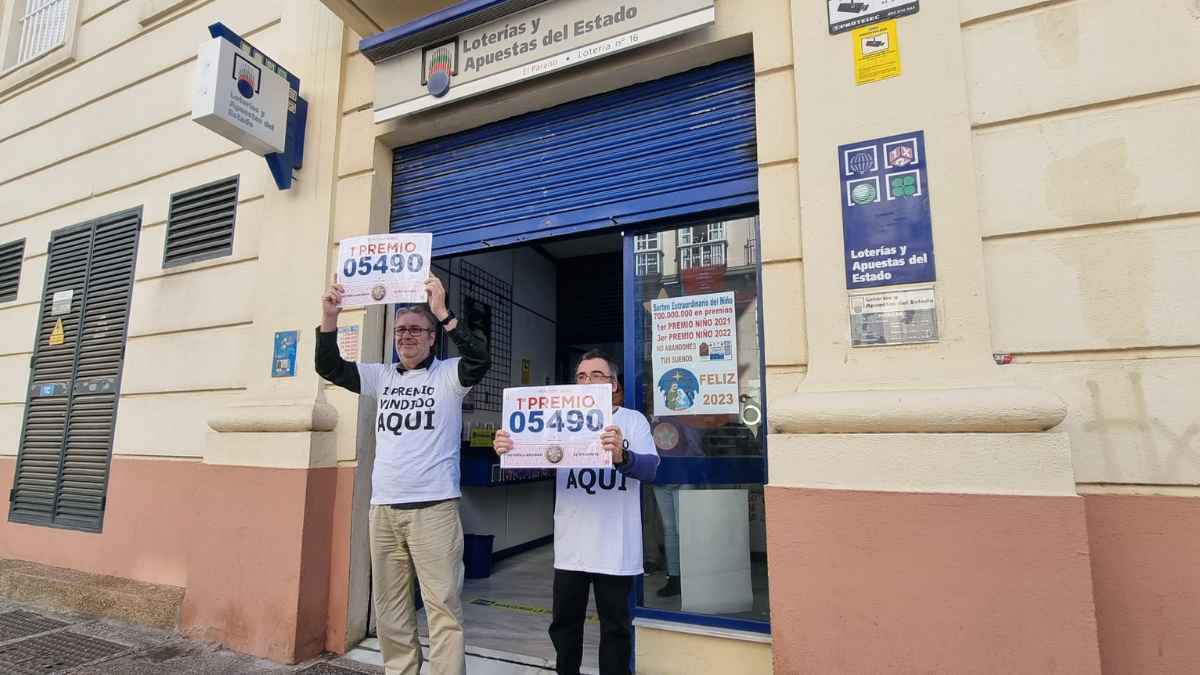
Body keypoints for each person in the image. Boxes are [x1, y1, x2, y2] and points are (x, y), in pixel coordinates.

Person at [316, 275, 489, 675]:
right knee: (390, 610)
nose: (406, 336)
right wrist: (330, 317)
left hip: (435, 510)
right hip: (384, 511)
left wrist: (442, 311)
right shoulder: (382, 376)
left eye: (415, 330)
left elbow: (480, 359)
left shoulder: (448, 375)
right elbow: (329, 366)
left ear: (432, 338)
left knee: (443, 608)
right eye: (400, 330)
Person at [493, 350, 659, 675]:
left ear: (613, 384)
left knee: (616, 628)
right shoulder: (558, 419)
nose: (587, 381)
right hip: (572, 547)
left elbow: (651, 469)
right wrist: (509, 451)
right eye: (581, 376)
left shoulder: (632, 421)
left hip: (616, 547)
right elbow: (530, 467)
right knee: (565, 626)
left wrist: (623, 457)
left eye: (596, 375)